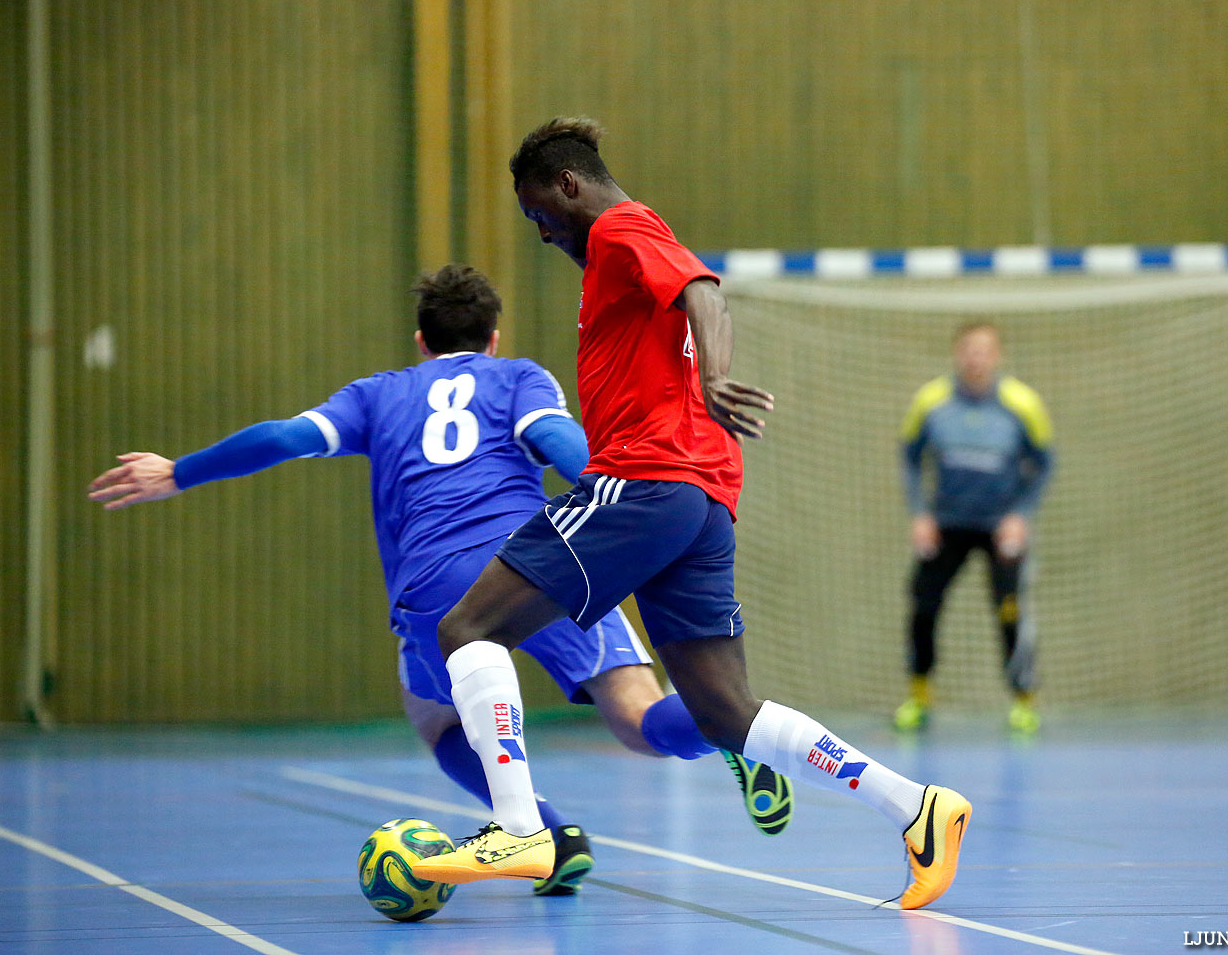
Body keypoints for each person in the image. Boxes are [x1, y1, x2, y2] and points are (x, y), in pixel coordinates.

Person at [86, 264, 794, 897]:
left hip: (436, 586)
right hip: (546, 561)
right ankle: (731, 730)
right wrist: (638, 507)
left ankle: (541, 834)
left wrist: (177, 472)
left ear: (420, 340)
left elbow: (281, 437)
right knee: (643, 718)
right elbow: (560, 446)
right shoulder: (519, 377)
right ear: (493, 337)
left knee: (435, 718)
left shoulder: (377, 395)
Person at [409, 117, 971, 911]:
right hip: (700, 502)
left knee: (467, 629)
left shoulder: (620, 228)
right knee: (722, 710)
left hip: (645, 482)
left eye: (540, 215)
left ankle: (518, 827)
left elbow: (703, 288)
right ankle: (916, 807)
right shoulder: (614, 257)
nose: (542, 234)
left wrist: (711, 376)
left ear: (570, 185)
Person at [894, 322, 1055, 735]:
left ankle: (1024, 700)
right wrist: (920, 514)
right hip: (945, 524)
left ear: (997, 355)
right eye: (969, 349)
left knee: (1010, 610)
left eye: (984, 350)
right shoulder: (931, 401)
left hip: (1000, 525)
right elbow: (910, 457)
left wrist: (1020, 515)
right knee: (923, 606)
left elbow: (1044, 462)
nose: (976, 358)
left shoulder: (1022, 404)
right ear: (957, 354)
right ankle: (918, 696)